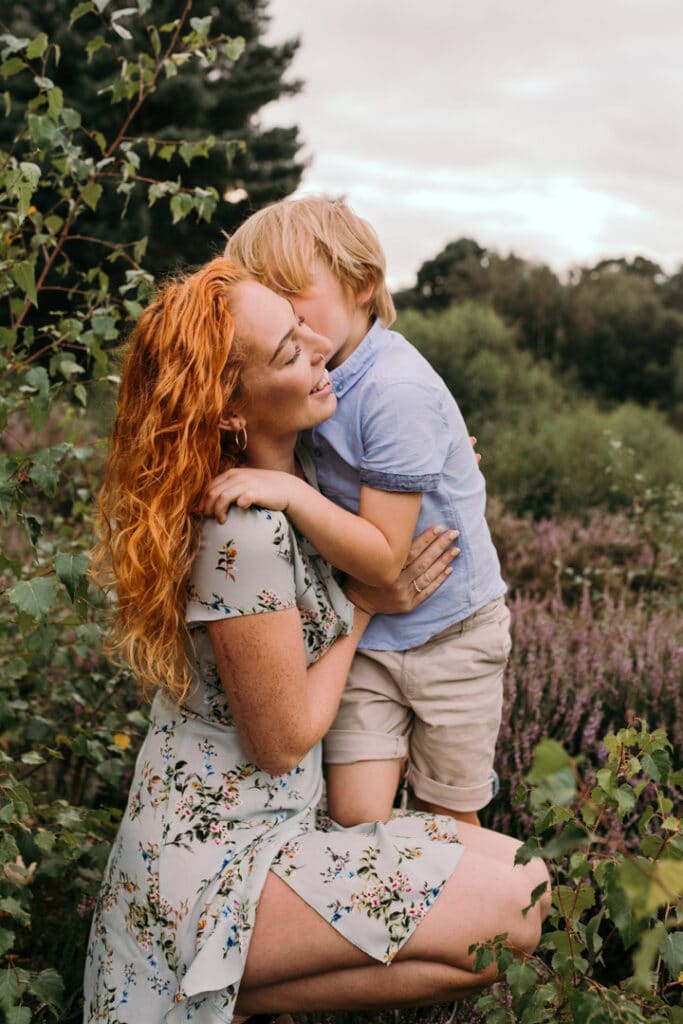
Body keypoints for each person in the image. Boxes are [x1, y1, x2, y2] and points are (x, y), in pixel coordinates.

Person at [84, 258, 550, 1024]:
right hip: (217, 860)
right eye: (287, 353)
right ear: (230, 411)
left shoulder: (301, 473)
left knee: (524, 873)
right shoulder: (239, 530)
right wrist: (366, 606)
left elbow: (389, 475)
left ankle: (231, 998)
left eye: (302, 327)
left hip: (278, 827)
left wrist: (430, 467)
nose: (317, 348)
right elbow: (282, 740)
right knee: (514, 909)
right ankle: (209, 990)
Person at [210, 197, 510, 828]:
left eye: (293, 294)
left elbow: (382, 557)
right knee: (354, 818)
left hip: (453, 636)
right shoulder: (310, 384)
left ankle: (489, 914)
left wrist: (291, 493)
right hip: (371, 639)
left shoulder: (394, 391)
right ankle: (402, 907)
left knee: (448, 811)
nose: (284, 318)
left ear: (363, 286)